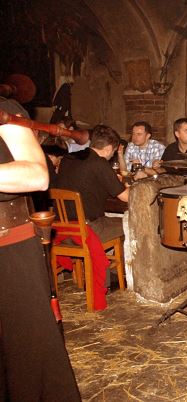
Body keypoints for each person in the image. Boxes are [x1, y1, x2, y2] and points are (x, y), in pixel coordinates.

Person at [0, 99, 80, 400]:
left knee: (27, 357)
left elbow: (37, 175)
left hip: (8, 247)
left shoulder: (4, 109)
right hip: (76, 227)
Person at [55, 124, 129, 310]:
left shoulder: (68, 158)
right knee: (128, 223)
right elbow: (125, 197)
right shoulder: (100, 163)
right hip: (88, 230)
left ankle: (92, 274)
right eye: (113, 152)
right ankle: (118, 277)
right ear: (108, 149)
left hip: (62, 228)